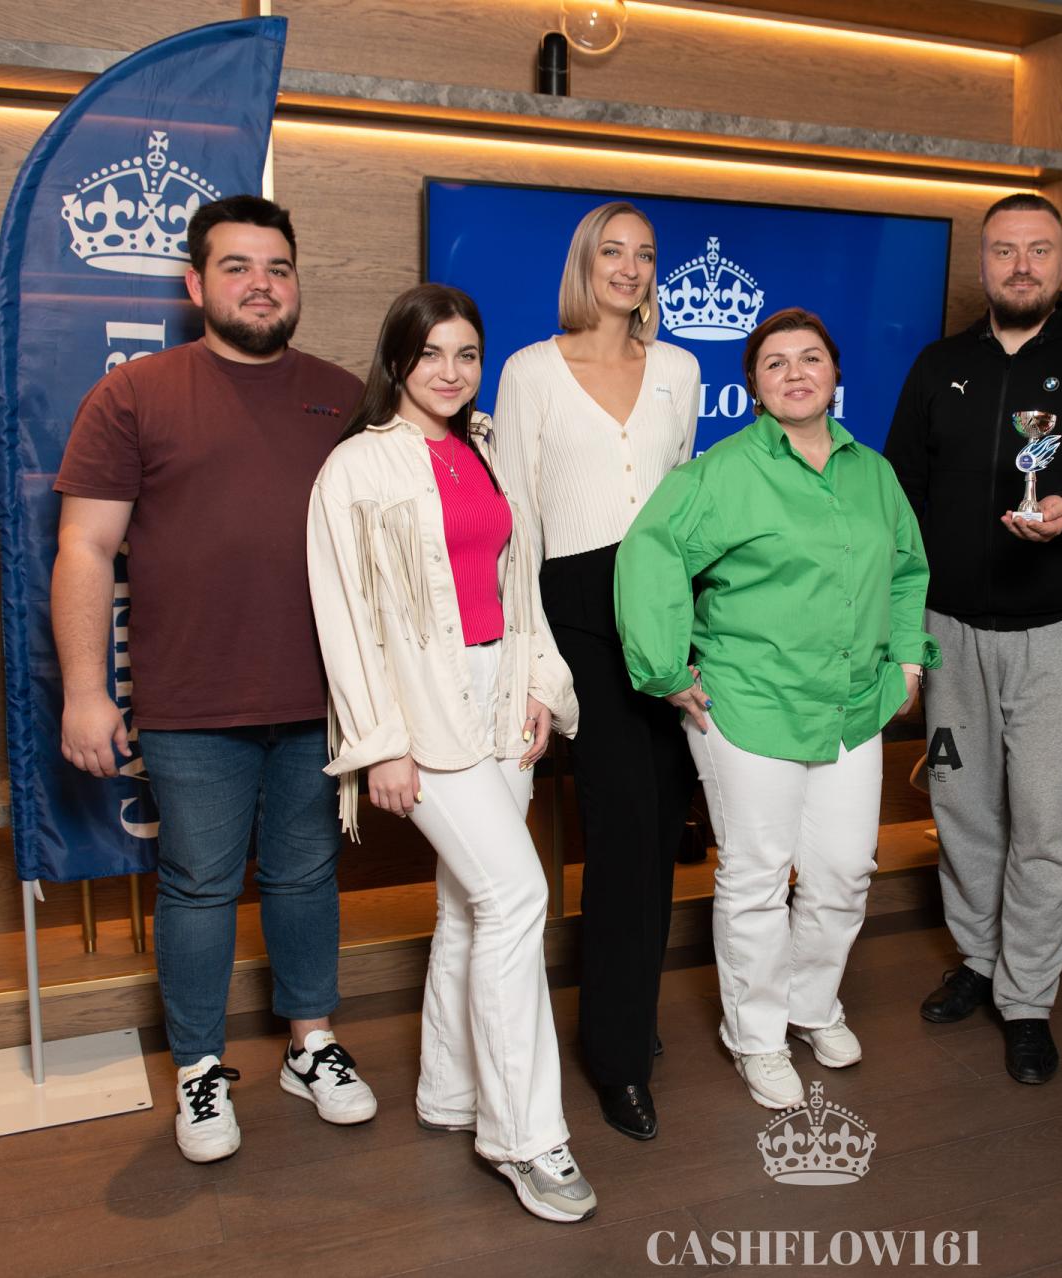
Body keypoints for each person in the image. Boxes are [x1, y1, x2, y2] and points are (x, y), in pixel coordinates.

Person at [54, 195, 376, 1163]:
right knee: (197, 885)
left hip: (322, 699)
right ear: (196, 285)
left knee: (307, 875)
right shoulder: (133, 394)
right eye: (237, 267)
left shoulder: (343, 397)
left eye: (277, 268)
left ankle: (310, 1044)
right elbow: (84, 546)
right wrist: (85, 691)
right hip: (192, 701)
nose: (261, 285)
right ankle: (199, 1069)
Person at [305, 282, 597, 1224]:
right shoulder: (355, 466)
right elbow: (344, 619)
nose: (450, 371)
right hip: (420, 707)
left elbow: (522, 586)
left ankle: (450, 1089)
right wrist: (380, 745)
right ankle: (523, 1138)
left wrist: (540, 686)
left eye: (467, 354)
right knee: (517, 896)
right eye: (431, 353)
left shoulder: (487, 449)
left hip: (501, 692)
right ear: (397, 359)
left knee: (472, 905)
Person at [616, 308, 938, 1109]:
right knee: (757, 877)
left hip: (852, 702)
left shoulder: (874, 473)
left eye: (810, 358)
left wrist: (907, 660)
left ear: (835, 374)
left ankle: (810, 1004)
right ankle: (757, 1036)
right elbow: (651, 553)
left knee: (845, 871)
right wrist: (664, 668)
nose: (796, 373)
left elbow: (907, 568)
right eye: (775, 363)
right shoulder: (722, 472)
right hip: (749, 702)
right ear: (754, 387)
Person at [883, 192, 1062, 1085]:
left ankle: (1027, 998)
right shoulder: (939, 364)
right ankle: (980, 959)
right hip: (950, 630)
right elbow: (901, 491)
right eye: (1005, 250)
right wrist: (901, 619)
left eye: (1039, 250)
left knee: (1045, 823)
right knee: (962, 808)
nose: (1022, 265)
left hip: (1058, 632)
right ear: (983, 264)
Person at [489, 201, 700, 1142]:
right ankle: (615, 1058)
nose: (629, 267)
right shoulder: (530, 370)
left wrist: (689, 629)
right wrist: (536, 658)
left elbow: (685, 504)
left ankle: (628, 1012)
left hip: (663, 612)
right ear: (585, 263)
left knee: (660, 829)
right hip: (574, 613)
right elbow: (519, 523)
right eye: (612, 251)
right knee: (617, 832)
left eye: (644, 254)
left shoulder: (681, 370)